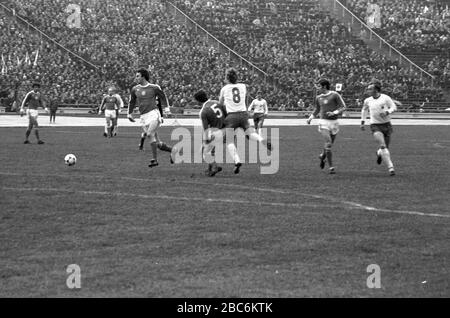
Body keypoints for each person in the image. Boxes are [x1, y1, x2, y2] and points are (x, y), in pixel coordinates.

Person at [218, 68, 271, 174]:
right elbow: (244, 93)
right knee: (250, 134)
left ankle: (237, 161)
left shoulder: (224, 89)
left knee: (229, 141)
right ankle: (262, 140)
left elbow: (220, 103)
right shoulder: (243, 86)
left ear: (227, 78)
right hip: (243, 114)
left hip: (231, 116)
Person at [127, 68, 176, 167]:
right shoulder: (135, 89)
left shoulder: (154, 87)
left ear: (143, 77)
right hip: (143, 117)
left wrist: (167, 109)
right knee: (157, 143)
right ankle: (173, 150)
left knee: (149, 134)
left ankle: (154, 160)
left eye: (137, 76)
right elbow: (131, 101)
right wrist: (129, 113)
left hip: (153, 114)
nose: (136, 78)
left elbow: (163, 97)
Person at [307, 78, 347, 174]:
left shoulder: (335, 95)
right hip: (323, 122)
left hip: (334, 123)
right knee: (328, 143)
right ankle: (331, 167)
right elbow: (317, 109)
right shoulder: (318, 97)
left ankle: (322, 156)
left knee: (329, 145)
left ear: (324, 86)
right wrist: (310, 117)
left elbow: (343, 107)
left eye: (319, 86)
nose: (318, 88)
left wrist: (334, 112)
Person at [361, 81, 397, 176]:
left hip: (387, 125)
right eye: (368, 89)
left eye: (370, 88)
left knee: (386, 147)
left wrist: (387, 112)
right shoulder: (367, 100)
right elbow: (364, 110)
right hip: (375, 125)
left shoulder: (385, 98)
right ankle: (391, 168)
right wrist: (363, 122)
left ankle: (379, 153)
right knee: (383, 145)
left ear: (376, 90)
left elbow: (394, 107)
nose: (368, 90)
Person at [194, 90, 227, 177]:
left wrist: (207, 139)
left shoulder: (203, 111)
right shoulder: (217, 102)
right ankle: (210, 169)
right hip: (226, 129)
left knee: (203, 152)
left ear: (198, 101)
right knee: (210, 151)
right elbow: (227, 114)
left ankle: (215, 167)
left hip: (216, 132)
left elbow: (206, 129)